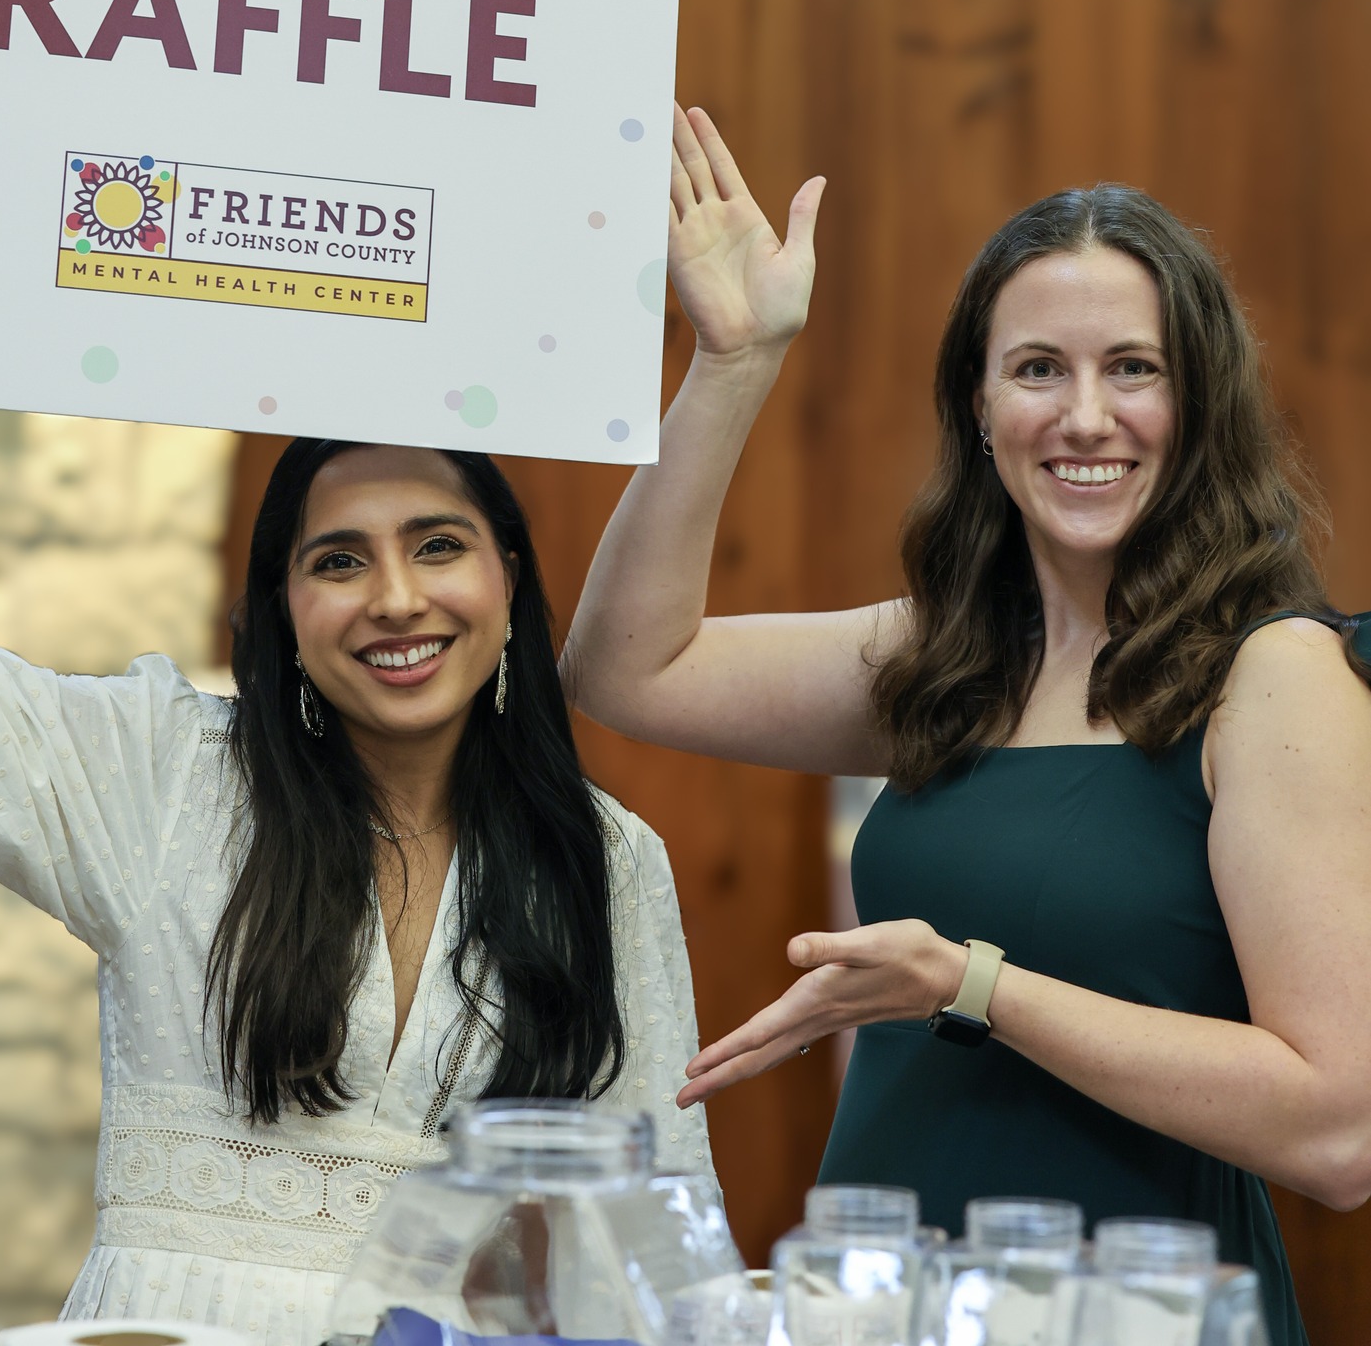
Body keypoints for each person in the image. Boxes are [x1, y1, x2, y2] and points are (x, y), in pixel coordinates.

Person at [0, 129, 712, 1345]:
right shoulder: (164, 775)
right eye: (338, 561)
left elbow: (651, 1238)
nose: (396, 597)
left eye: (438, 545)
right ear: (282, 615)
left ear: (507, 580)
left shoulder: (606, 859)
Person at [568, 105, 1371, 1346]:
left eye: (1134, 367)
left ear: (1200, 399)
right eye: (1038, 367)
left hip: (1130, 1315)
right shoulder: (942, 653)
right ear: (980, 405)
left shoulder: (1275, 674)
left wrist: (971, 983)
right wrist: (733, 361)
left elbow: (1339, 1130)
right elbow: (625, 665)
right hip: (885, 1306)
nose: (1085, 415)